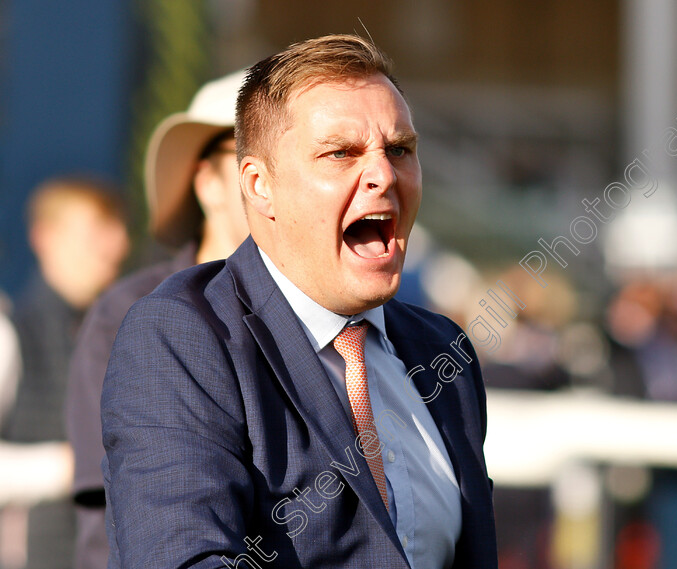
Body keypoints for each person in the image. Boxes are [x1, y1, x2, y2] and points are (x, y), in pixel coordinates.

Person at [101, 35, 497, 568]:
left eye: (400, 149)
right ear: (260, 186)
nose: (383, 174)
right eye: (341, 153)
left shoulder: (442, 348)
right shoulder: (183, 336)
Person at [65, 70, 249, 569]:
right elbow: (108, 511)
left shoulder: (336, 321)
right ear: (207, 182)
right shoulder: (127, 314)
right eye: (252, 157)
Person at [3, 177, 128, 569]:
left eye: (118, 228)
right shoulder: (10, 335)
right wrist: (71, 463)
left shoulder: (123, 332)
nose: (116, 245)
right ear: (46, 237)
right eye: (97, 230)